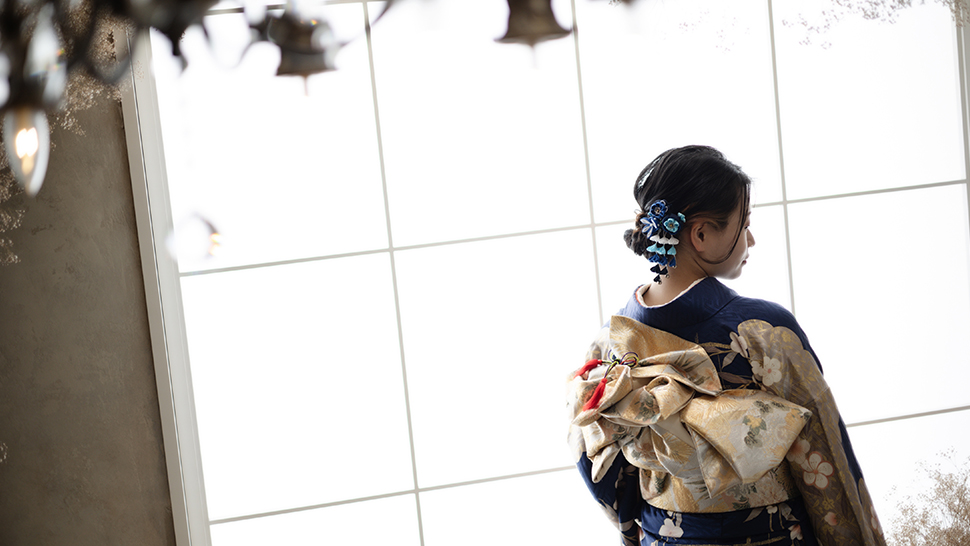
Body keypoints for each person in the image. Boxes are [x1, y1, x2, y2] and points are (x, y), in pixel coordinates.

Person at [566, 145, 886, 546]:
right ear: (700, 234)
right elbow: (827, 467)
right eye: (744, 223)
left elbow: (599, 471)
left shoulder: (609, 342)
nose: (750, 238)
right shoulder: (764, 331)